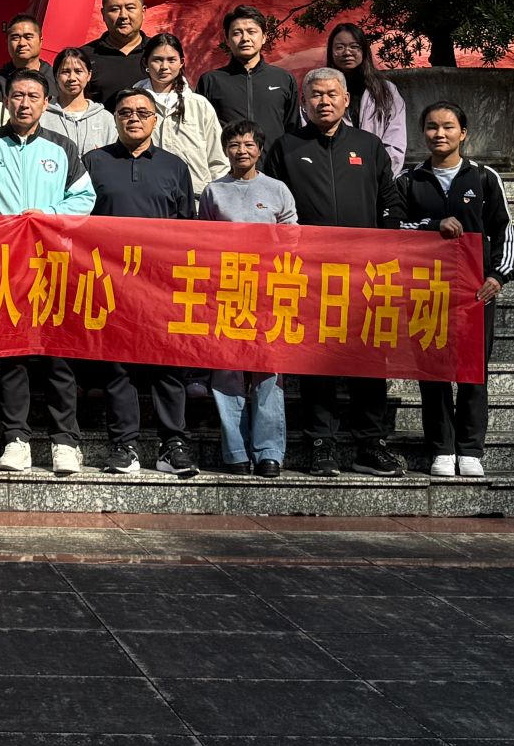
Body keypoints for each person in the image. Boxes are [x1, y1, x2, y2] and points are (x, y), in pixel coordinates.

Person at [264, 66, 408, 477]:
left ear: (347, 100)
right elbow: (272, 205)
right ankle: (321, 443)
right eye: (316, 95)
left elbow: (391, 202)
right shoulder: (286, 147)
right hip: (309, 274)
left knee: (369, 359)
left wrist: (386, 247)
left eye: (332, 94)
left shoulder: (369, 146)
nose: (324, 101)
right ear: (304, 102)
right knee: (315, 361)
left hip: (365, 274)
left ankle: (370, 444)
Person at [0, 70, 97, 475]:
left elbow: (84, 197)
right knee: (13, 354)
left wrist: (48, 216)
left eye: (33, 97)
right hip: (3, 264)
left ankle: (65, 441)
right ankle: (15, 438)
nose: (25, 103)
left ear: (46, 103)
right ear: (7, 101)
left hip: (52, 260)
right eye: (18, 96)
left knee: (59, 354)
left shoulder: (62, 147)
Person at [398, 100, 514, 479]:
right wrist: (432, 225)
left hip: (475, 291)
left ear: (463, 133)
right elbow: (392, 228)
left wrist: (498, 275)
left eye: (448, 127)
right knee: (432, 371)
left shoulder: (484, 178)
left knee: (472, 370)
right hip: (426, 290)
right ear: (423, 133)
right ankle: (442, 448)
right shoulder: (409, 180)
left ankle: (470, 449)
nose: (440, 134)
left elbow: (504, 230)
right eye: (432, 127)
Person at [83, 88, 199, 478]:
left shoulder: (174, 166)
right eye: (125, 112)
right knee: (118, 368)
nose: (134, 118)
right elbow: (78, 220)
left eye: (142, 112)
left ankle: (173, 445)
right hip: (109, 281)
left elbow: (187, 228)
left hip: (161, 283)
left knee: (168, 365)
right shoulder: (94, 162)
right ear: (114, 118)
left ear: (155, 119)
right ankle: (125, 445)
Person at [199, 119, 298, 477]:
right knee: (226, 372)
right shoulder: (213, 191)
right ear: (225, 150)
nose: (241, 151)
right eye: (234, 145)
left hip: (269, 291)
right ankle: (236, 451)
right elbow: (203, 241)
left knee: (268, 372)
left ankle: (269, 450)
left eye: (248, 144)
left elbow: (292, 239)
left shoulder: (277, 190)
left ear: (259, 150)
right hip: (226, 291)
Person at [307, 22, 409, 174]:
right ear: (331, 52)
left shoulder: (385, 90)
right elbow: (309, 132)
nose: (347, 52)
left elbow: (395, 139)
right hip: (333, 173)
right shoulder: (318, 89)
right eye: (339, 47)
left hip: (376, 174)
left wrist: (381, 175)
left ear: (364, 50)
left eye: (354, 46)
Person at [135, 32, 229, 195]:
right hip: (147, 196)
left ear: (181, 63)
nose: (164, 67)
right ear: (146, 63)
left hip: (195, 198)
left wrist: (216, 196)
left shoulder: (199, 105)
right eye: (157, 60)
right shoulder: (132, 105)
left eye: (171, 60)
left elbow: (218, 160)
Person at [196, 5, 299, 134]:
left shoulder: (284, 79)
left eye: (252, 32)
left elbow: (293, 131)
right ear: (227, 40)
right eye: (237, 33)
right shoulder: (210, 81)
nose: (245, 38)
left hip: (274, 149)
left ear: (264, 37)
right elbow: (200, 130)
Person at [81, 0, 151, 109]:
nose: (123, 16)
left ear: (143, 11)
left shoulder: (158, 53)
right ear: (103, 14)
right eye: (114, 9)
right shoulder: (84, 57)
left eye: (130, 8)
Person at [42, 46, 113, 162]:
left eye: (78, 71)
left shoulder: (105, 119)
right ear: (56, 76)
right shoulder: (43, 117)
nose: (72, 78)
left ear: (89, 75)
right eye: (65, 72)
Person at [0, 15, 56, 104]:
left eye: (28, 37)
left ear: (40, 41)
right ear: (7, 41)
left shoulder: (56, 79)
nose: (22, 43)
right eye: (15, 38)